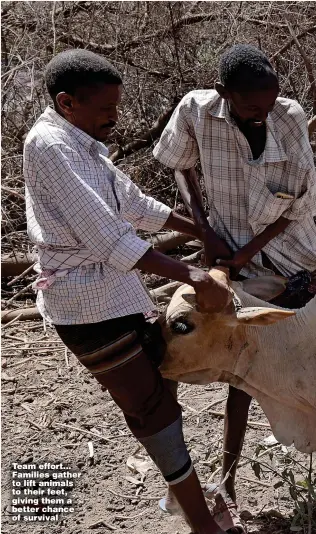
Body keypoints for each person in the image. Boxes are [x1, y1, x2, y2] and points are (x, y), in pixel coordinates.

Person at [23, 49, 231, 534]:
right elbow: (106, 235)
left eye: (116, 108)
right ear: (67, 102)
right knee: (151, 409)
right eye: (105, 110)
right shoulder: (48, 146)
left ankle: (178, 493)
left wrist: (200, 232)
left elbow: (131, 203)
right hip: (84, 305)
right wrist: (193, 275)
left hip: (117, 291)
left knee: (168, 372)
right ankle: (202, 524)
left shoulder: (82, 141)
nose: (114, 119)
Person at [153, 43, 316, 527]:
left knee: (303, 357)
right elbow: (179, 162)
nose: (261, 114)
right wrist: (203, 226)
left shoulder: (288, 117)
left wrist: (237, 256)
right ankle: (225, 484)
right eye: (250, 107)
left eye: (268, 103)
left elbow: (298, 206)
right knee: (243, 373)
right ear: (224, 94)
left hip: (295, 258)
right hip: (230, 258)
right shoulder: (195, 110)